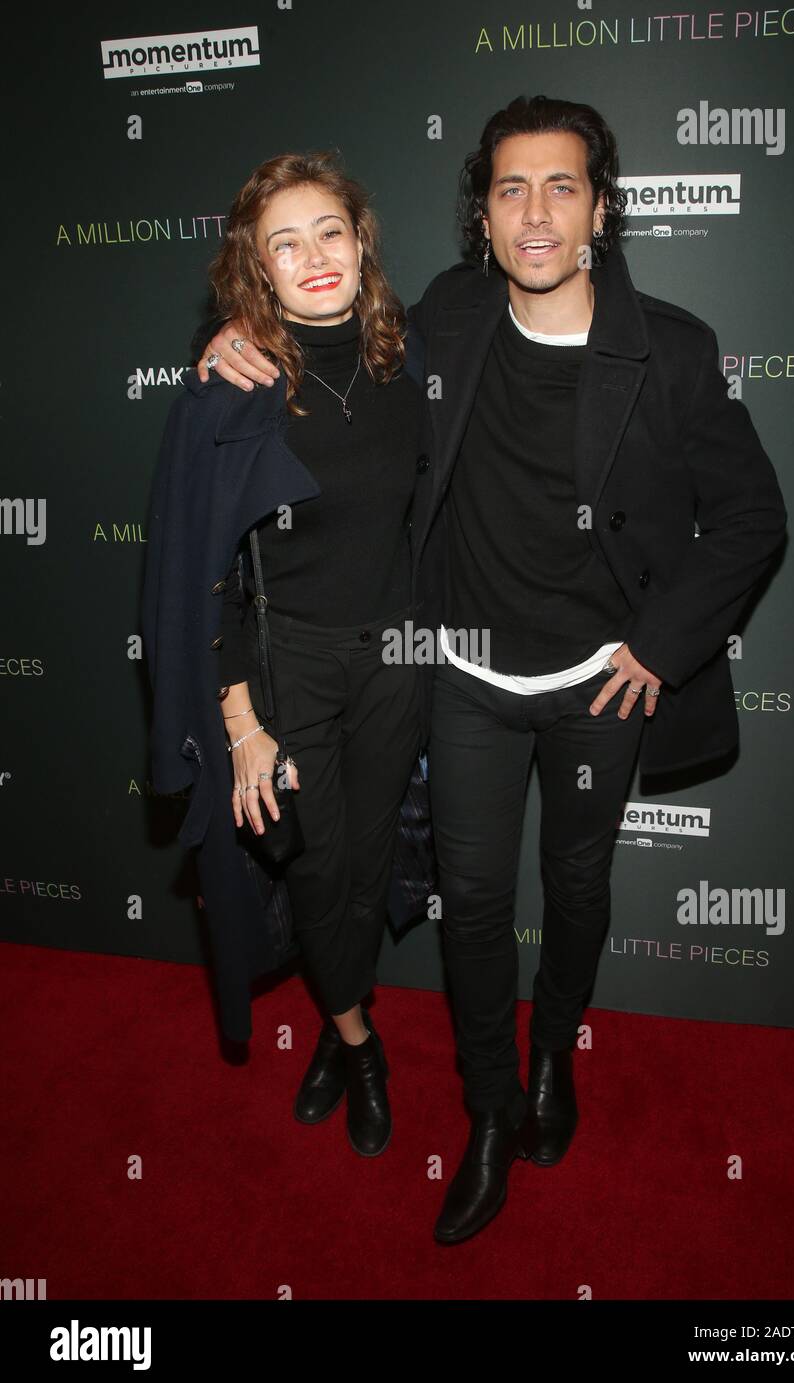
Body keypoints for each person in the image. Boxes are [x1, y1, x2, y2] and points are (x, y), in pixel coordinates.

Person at [197, 96, 788, 1244]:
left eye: (561, 186)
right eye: (511, 187)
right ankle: (487, 1106)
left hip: (597, 688)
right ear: (482, 213)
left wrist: (663, 645)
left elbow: (755, 519)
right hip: (463, 675)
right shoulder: (451, 318)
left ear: (600, 210)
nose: (535, 212)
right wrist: (231, 338)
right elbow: (330, 353)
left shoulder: (671, 349)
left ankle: (553, 1061)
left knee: (572, 894)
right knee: (472, 905)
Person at [147, 150, 425, 1160]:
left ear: (362, 243)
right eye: (285, 243)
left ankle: (334, 1012)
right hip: (290, 665)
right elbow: (199, 573)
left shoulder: (410, 358)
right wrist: (240, 723)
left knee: (364, 860)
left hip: (399, 660)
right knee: (312, 860)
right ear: (257, 270)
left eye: (331, 233)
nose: (314, 257)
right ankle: (360, 1043)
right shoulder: (238, 387)